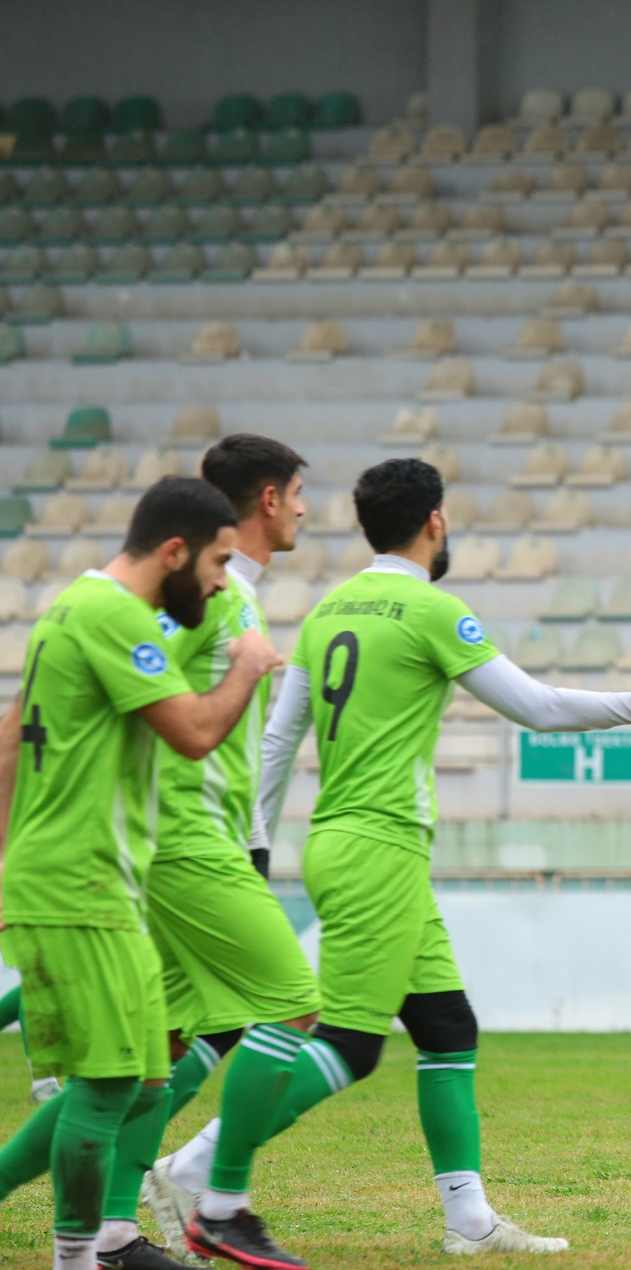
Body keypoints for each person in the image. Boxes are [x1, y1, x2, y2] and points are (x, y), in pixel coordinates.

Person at [230, 457, 631, 1256]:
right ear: (435, 520)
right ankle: (200, 1168)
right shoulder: (431, 608)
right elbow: (535, 708)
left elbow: (280, 737)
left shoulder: (328, 608)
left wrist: (256, 838)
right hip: (380, 846)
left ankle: (468, 1220)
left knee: (446, 1026)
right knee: (348, 1044)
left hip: (340, 840)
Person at [0, 478, 283, 1270]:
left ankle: (98, 1246)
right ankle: (80, 1258)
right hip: (77, 884)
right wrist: (248, 666)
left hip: (100, 882)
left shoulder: (69, 610)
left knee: (149, 1077)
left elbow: (9, 736)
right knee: (108, 1081)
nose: (225, 581)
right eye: (219, 562)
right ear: (174, 551)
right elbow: (195, 732)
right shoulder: (115, 617)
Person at [127, 436, 325, 1268]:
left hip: (207, 832)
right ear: (270, 498)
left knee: (156, 1051)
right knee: (291, 1001)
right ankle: (222, 1200)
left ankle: (107, 1229)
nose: (309, 511)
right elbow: (130, 687)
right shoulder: (206, 597)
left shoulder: (234, 593)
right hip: (184, 835)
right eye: (301, 495)